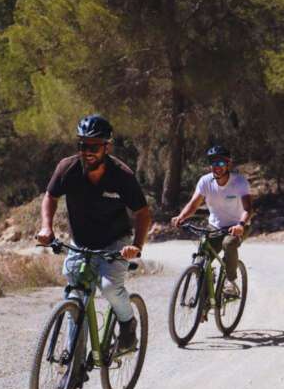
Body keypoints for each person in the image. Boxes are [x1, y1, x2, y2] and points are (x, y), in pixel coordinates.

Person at [36, 114, 151, 354]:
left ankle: (128, 325)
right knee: (75, 294)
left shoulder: (122, 175)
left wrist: (136, 247)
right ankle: (73, 357)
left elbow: (142, 213)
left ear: (107, 147)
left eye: (94, 146)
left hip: (115, 242)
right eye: (83, 145)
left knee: (109, 286)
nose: (87, 151)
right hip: (81, 241)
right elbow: (50, 196)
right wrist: (47, 227)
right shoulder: (68, 168)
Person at [171, 144, 252, 297]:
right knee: (202, 254)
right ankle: (205, 296)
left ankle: (230, 282)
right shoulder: (205, 181)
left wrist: (241, 225)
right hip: (215, 226)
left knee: (229, 243)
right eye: (214, 163)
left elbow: (248, 209)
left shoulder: (239, 182)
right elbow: (194, 204)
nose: (217, 167)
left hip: (237, 226)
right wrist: (181, 217)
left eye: (221, 163)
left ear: (229, 164)